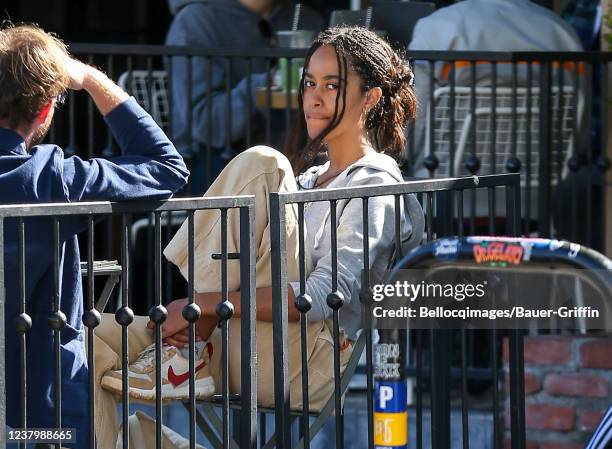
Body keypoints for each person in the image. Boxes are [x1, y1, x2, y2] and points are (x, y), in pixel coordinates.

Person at [97, 26, 424, 447]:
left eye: (333, 85)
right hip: (238, 339)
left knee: (265, 163)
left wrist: (203, 307)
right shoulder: (307, 182)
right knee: (85, 340)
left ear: (371, 97)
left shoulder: (375, 185)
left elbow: (327, 294)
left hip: (308, 360)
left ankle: (190, 346)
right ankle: (187, 354)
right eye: (309, 84)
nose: (315, 97)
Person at [0, 24, 189, 448]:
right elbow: (167, 168)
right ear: (47, 110)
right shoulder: (52, 177)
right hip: (43, 412)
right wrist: (88, 78)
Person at [406, 0, 584, 177]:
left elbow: (415, 115)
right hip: (540, 178)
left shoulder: (438, 27)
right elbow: (580, 117)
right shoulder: (562, 32)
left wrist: (402, 158)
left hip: (445, 177)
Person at [165, 0, 324, 193]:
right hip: (210, 162)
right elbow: (205, 122)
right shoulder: (194, 22)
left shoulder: (306, 18)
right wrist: (263, 85)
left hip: (293, 158)